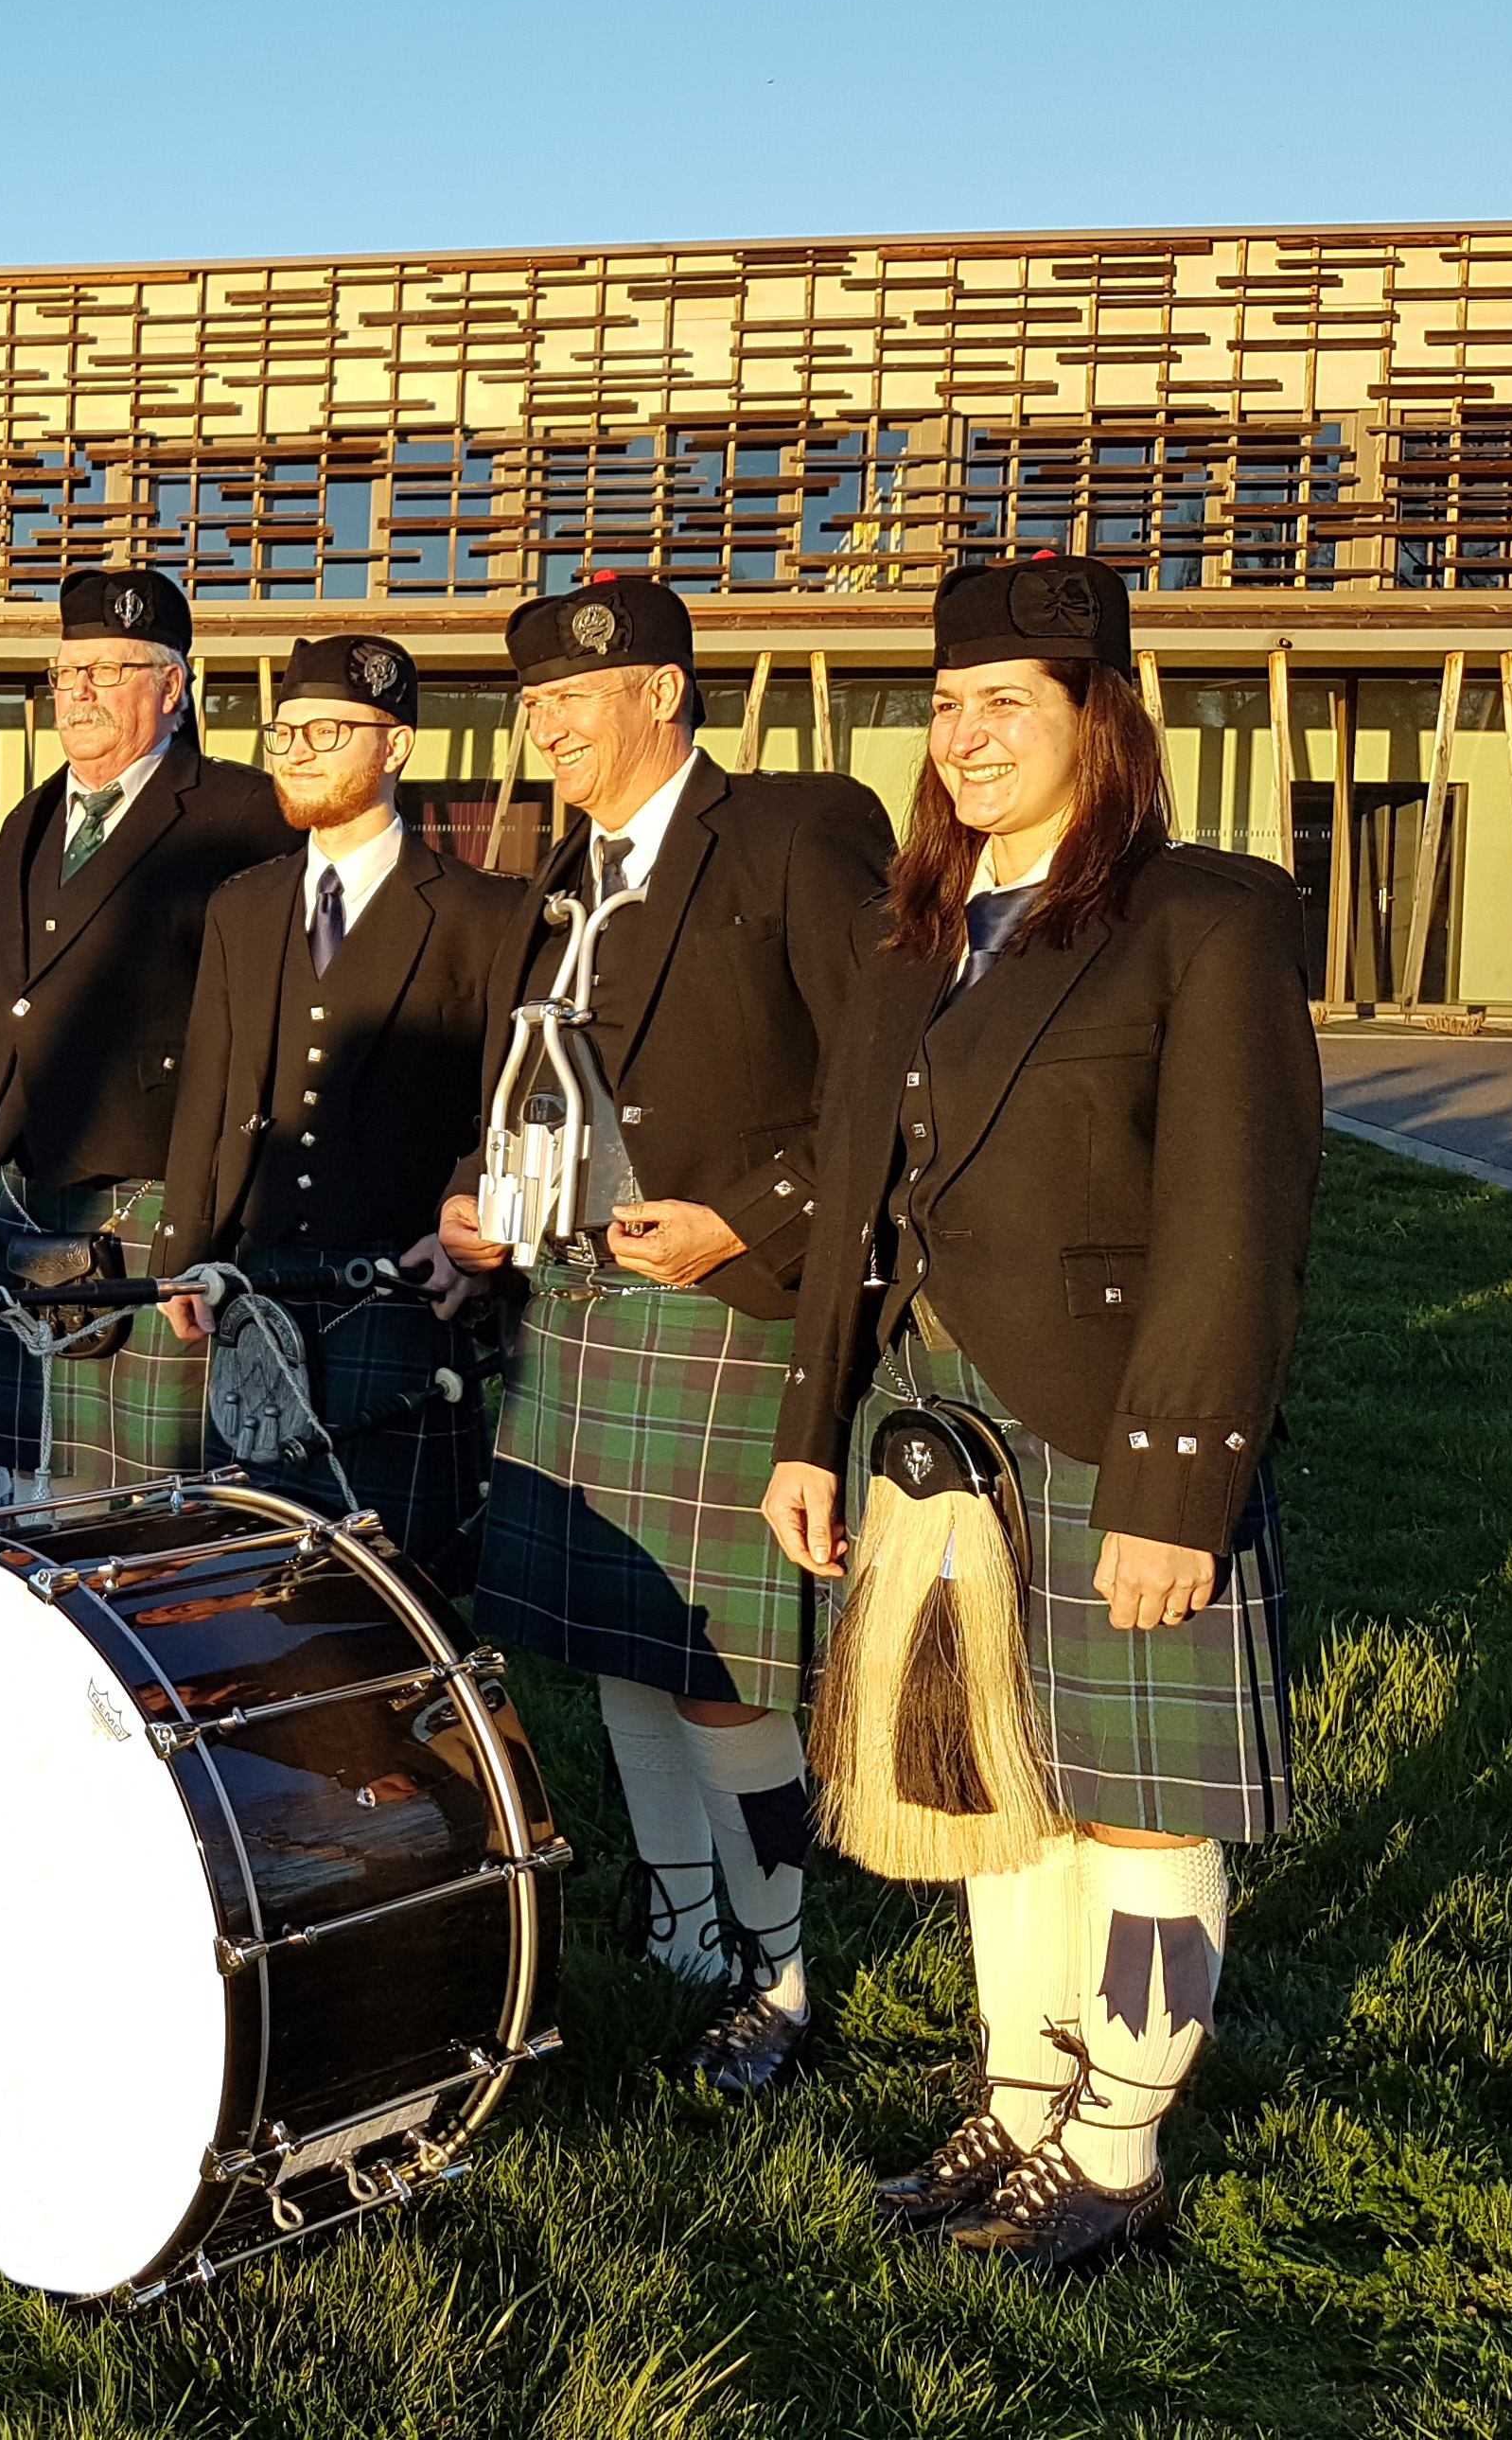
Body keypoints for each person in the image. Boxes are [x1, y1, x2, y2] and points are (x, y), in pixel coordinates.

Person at [762, 555, 1317, 2269]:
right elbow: (851, 1200)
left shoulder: (1202, 917)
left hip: (1104, 1428)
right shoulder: (912, 931)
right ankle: (1016, 2107)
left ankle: (1116, 2147)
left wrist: (1177, 1491)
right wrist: (808, 1429)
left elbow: (1234, 1222)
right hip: (927, 1428)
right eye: (946, 705)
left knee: (1137, 1799)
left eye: (1007, 702)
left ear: (1101, 721)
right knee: (987, 1785)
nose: (966, 736)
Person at [448, 571, 892, 2093]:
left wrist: (749, 1220)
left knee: (721, 1667)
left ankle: (777, 1972)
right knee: (618, 1647)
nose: (548, 728)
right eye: (534, 705)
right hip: (575, 1304)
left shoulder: (791, 832)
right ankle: (683, 1926)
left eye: (575, 699)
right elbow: (526, 1088)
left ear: (664, 694)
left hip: (720, 1308)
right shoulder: (559, 874)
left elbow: (885, 1075)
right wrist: (475, 1194)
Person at [154, 636, 523, 1591]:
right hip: (260, 1281)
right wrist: (184, 1248)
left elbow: (512, 1096)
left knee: (398, 1587)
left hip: (402, 1287)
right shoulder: (243, 904)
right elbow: (210, 1086)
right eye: (284, 732)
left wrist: (473, 1220)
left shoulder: (482, 912)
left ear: (395, 745)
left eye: (326, 731)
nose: (296, 752)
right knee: (252, 1572)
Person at [0, 565, 295, 1498]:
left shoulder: (241, 811)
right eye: (68, 673)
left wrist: (212, 1210)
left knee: (152, 1479)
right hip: (31, 1186)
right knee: (40, 1461)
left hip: (157, 1180)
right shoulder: (32, 814)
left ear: (172, 686)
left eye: (109, 670)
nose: (81, 692)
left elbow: (265, 1017)